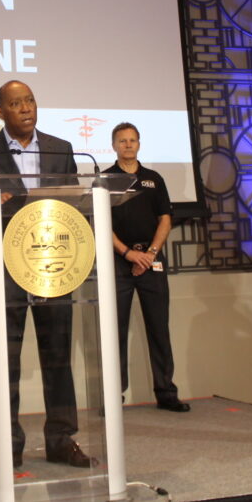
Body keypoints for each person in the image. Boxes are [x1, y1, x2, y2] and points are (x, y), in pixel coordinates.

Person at [0, 80, 95, 469]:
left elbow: (74, 204)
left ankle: (61, 438)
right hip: (4, 267)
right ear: (0, 112)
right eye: (16, 103)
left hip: (53, 265)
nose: (26, 108)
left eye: (31, 100)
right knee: (6, 361)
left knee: (58, 356)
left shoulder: (60, 149)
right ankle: (8, 444)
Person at [104, 123, 189, 413]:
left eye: (132, 140)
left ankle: (166, 393)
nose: (127, 145)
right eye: (122, 141)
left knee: (159, 329)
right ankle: (115, 396)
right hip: (118, 263)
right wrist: (128, 254)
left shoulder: (154, 178)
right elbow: (99, 224)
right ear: (113, 145)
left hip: (152, 262)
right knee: (115, 332)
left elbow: (165, 219)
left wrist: (150, 254)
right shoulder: (104, 180)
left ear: (139, 144)